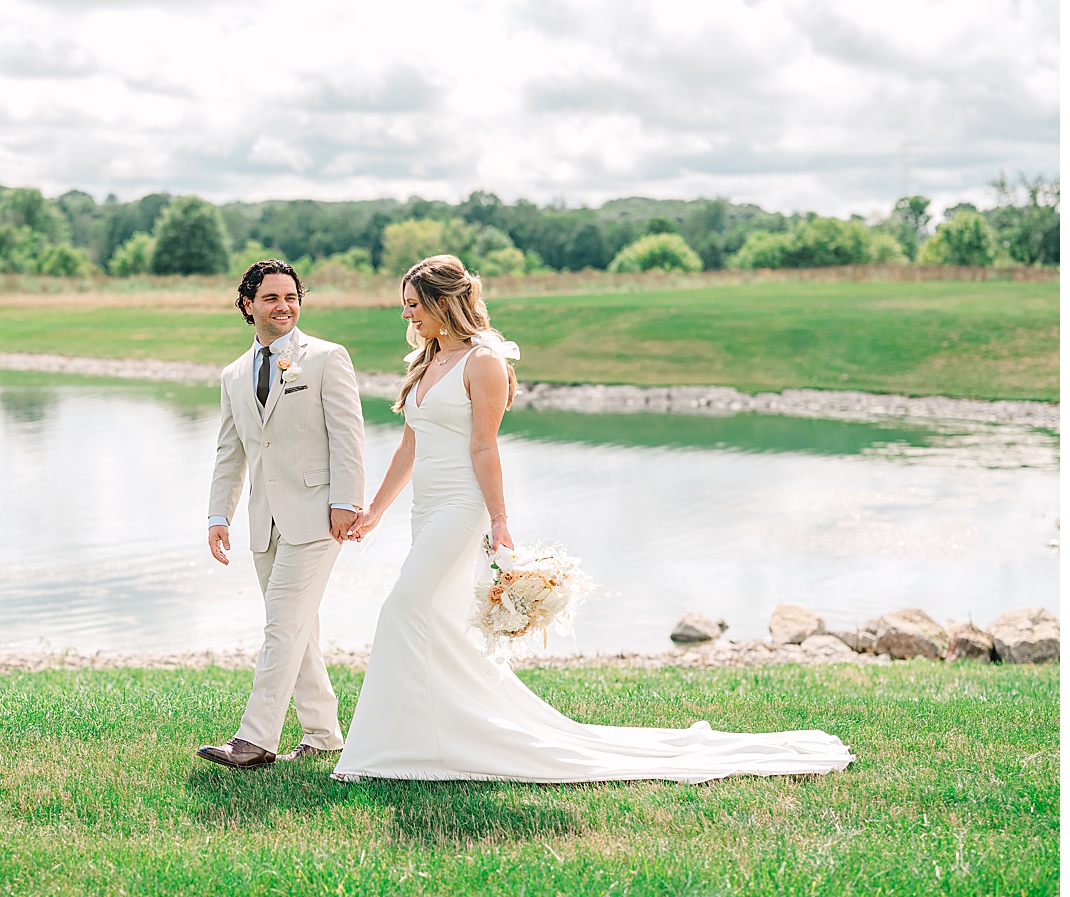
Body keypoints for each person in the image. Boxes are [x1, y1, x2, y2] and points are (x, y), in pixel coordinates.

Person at [334, 254, 855, 784]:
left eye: (414, 308)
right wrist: (376, 510)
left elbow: (485, 447)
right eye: (405, 310)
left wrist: (500, 521)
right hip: (425, 508)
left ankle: (383, 748)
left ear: (444, 303)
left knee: (401, 609)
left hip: (462, 507)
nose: (408, 319)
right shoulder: (426, 362)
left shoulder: (483, 361)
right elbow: (408, 446)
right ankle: (428, 739)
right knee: (436, 623)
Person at [197, 260, 366, 770]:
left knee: (281, 628)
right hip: (263, 524)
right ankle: (323, 733)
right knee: (298, 629)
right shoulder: (233, 375)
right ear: (248, 306)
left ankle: (254, 740)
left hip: (318, 517)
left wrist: (347, 503)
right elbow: (232, 452)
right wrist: (216, 517)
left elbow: (348, 436)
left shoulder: (325, 359)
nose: (284, 306)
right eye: (271, 298)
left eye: (291, 296)